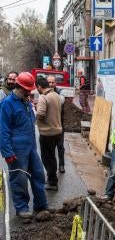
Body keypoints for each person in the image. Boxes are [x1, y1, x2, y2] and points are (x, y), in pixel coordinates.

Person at [0, 72, 49, 219]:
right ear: (19, 87)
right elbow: (3, 130)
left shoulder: (25, 101)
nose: (29, 92)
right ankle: (22, 208)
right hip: (16, 150)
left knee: (38, 174)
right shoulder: (7, 103)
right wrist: (7, 152)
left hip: (30, 147)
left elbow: (30, 121)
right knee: (19, 178)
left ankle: (41, 206)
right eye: (27, 90)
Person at [36, 77, 63, 191]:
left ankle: (52, 182)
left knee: (47, 158)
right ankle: (52, 179)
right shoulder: (56, 95)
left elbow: (41, 115)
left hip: (47, 133)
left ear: (39, 87)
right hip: (57, 131)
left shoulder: (43, 97)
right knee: (52, 156)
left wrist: (35, 111)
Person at [47, 75, 66, 173]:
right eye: (49, 82)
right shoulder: (44, 92)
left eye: (52, 82)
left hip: (59, 124)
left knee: (60, 146)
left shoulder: (60, 92)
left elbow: (61, 101)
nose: (50, 84)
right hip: (49, 125)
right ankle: (52, 167)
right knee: (50, 147)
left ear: (55, 83)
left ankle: (61, 165)